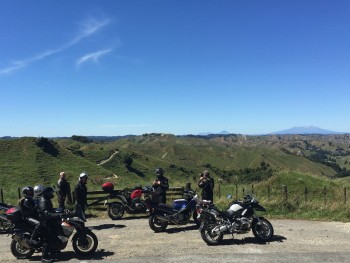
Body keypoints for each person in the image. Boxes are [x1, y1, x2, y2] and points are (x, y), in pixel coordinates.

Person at [36, 186, 62, 263]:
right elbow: (45, 213)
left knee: (56, 232)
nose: (52, 194)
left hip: (49, 220)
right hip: (44, 222)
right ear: (46, 193)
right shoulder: (43, 201)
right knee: (48, 237)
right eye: (51, 193)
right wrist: (56, 215)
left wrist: (59, 211)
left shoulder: (47, 199)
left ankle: (53, 250)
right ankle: (44, 257)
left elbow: (50, 210)